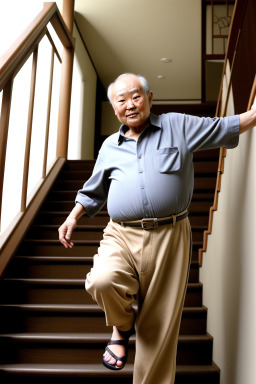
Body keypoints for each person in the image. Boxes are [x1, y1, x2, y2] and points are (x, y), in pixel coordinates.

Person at [58, 73, 256, 384]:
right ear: (114, 109)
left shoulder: (178, 126)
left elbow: (225, 126)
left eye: (136, 96)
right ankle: (122, 326)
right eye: (121, 100)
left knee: (157, 331)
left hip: (170, 236)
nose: (130, 104)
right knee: (101, 280)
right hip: (120, 233)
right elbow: (93, 189)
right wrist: (73, 216)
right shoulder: (110, 146)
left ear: (150, 98)